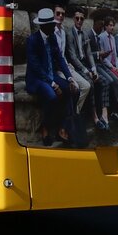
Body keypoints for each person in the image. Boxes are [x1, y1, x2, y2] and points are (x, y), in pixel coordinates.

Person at [25, 8, 79, 146]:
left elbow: (60, 58)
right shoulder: (32, 40)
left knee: (70, 89)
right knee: (52, 96)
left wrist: (69, 77)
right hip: (37, 79)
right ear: (44, 25)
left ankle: (62, 127)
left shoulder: (52, 37)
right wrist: (53, 84)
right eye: (51, 24)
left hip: (50, 74)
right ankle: (45, 127)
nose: (54, 26)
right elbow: (36, 67)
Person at [74, 11, 117, 129]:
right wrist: (98, 54)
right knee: (93, 84)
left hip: (96, 65)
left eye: (103, 25)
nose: (101, 27)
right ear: (94, 24)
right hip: (85, 66)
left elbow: (89, 53)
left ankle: (105, 114)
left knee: (108, 82)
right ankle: (95, 117)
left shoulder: (95, 35)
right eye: (100, 25)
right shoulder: (88, 34)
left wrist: (99, 57)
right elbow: (82, 55)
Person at [53, 6, 92, 114]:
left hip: (66, 66)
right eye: (58, 13)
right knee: (76, 87)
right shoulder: (51, 32)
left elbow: (63, 54)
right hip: (57, 69)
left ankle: (76, 111)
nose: (60, 16)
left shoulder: (63, 32)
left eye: (62, 14)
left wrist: (68, 64)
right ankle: (70, 116)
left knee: (86, 86)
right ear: (54, 14)